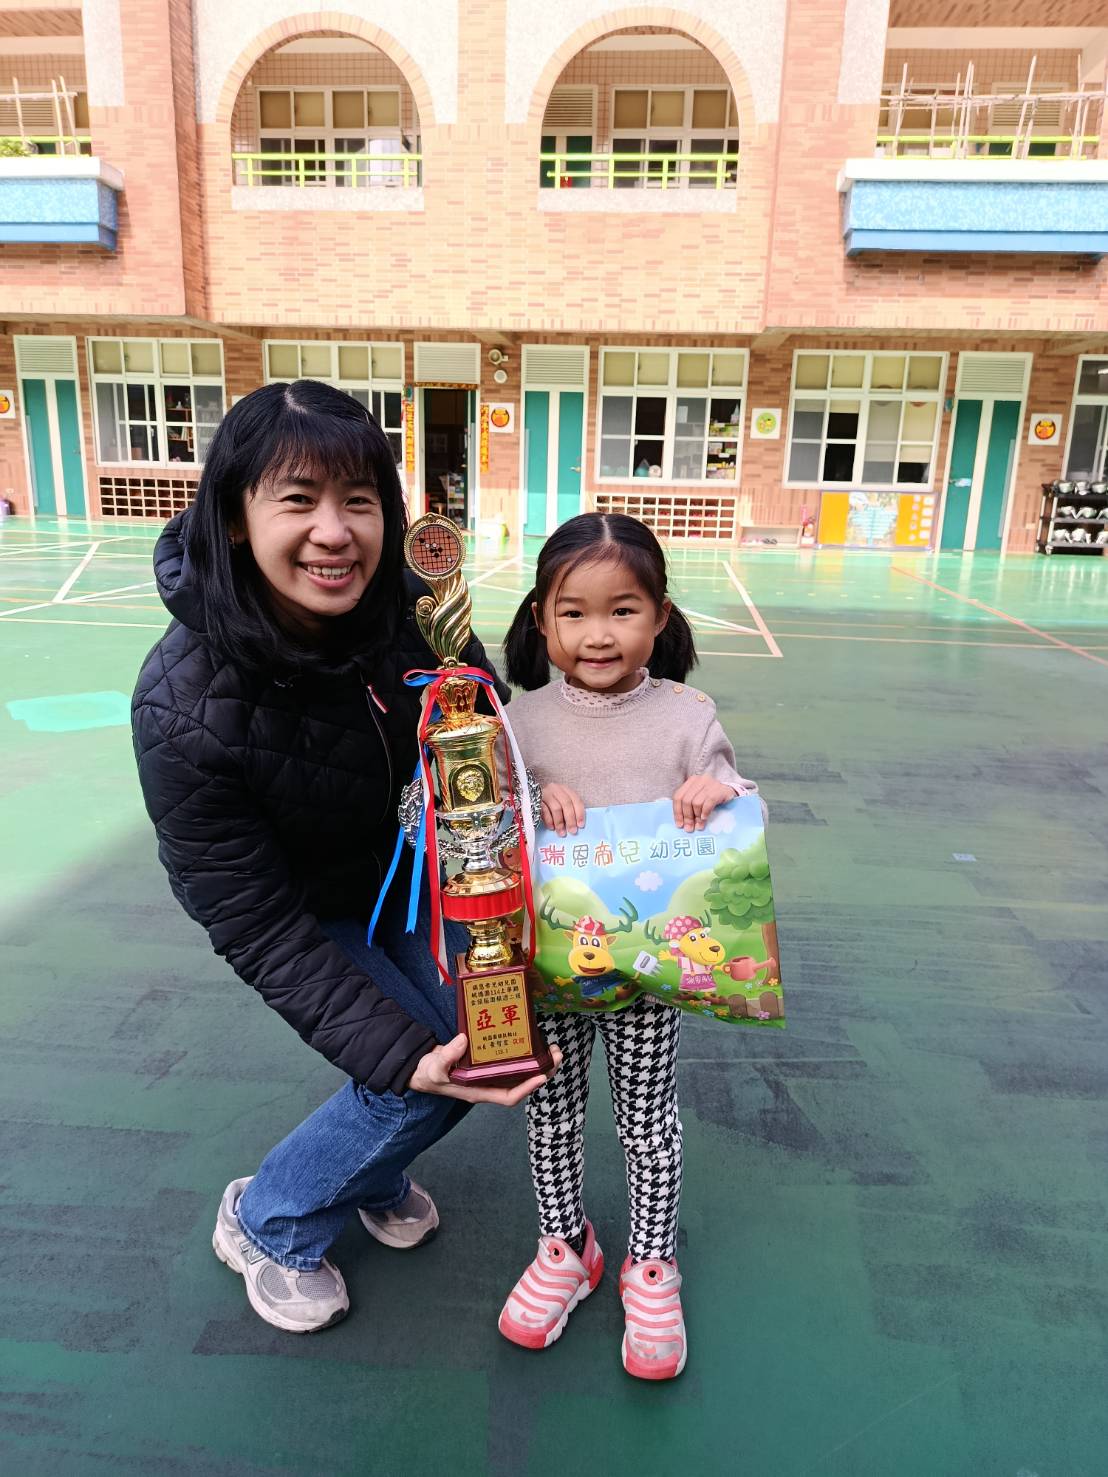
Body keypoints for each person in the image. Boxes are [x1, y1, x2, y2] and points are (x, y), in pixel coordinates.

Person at [131, 380, 557, 1335]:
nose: (335, 532)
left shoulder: (407, 607)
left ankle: (368, 1170)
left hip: (405, 877)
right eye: (298, 499)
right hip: (300, 908)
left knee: (487, 1041)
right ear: (235, 517)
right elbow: (254, 921)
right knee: (426, 1073)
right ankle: (270, 1216)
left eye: (358, 500)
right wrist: (400, 1057)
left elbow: (474, 717)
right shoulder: (181, 705)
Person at [496, 512, 761, 1380]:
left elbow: (732, 786)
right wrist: (533, 795)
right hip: (550, 968)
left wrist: (713, 787)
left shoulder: (687, 714)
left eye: (623, 610)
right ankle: (565, 1246)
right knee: (551, 1112)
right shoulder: (517, 720)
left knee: (648, 1121)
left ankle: (652, 1263)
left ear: (660, 616)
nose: (598, 634)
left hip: (647, 974)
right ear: (541, 620)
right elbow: (488, 821)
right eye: (573, 612)